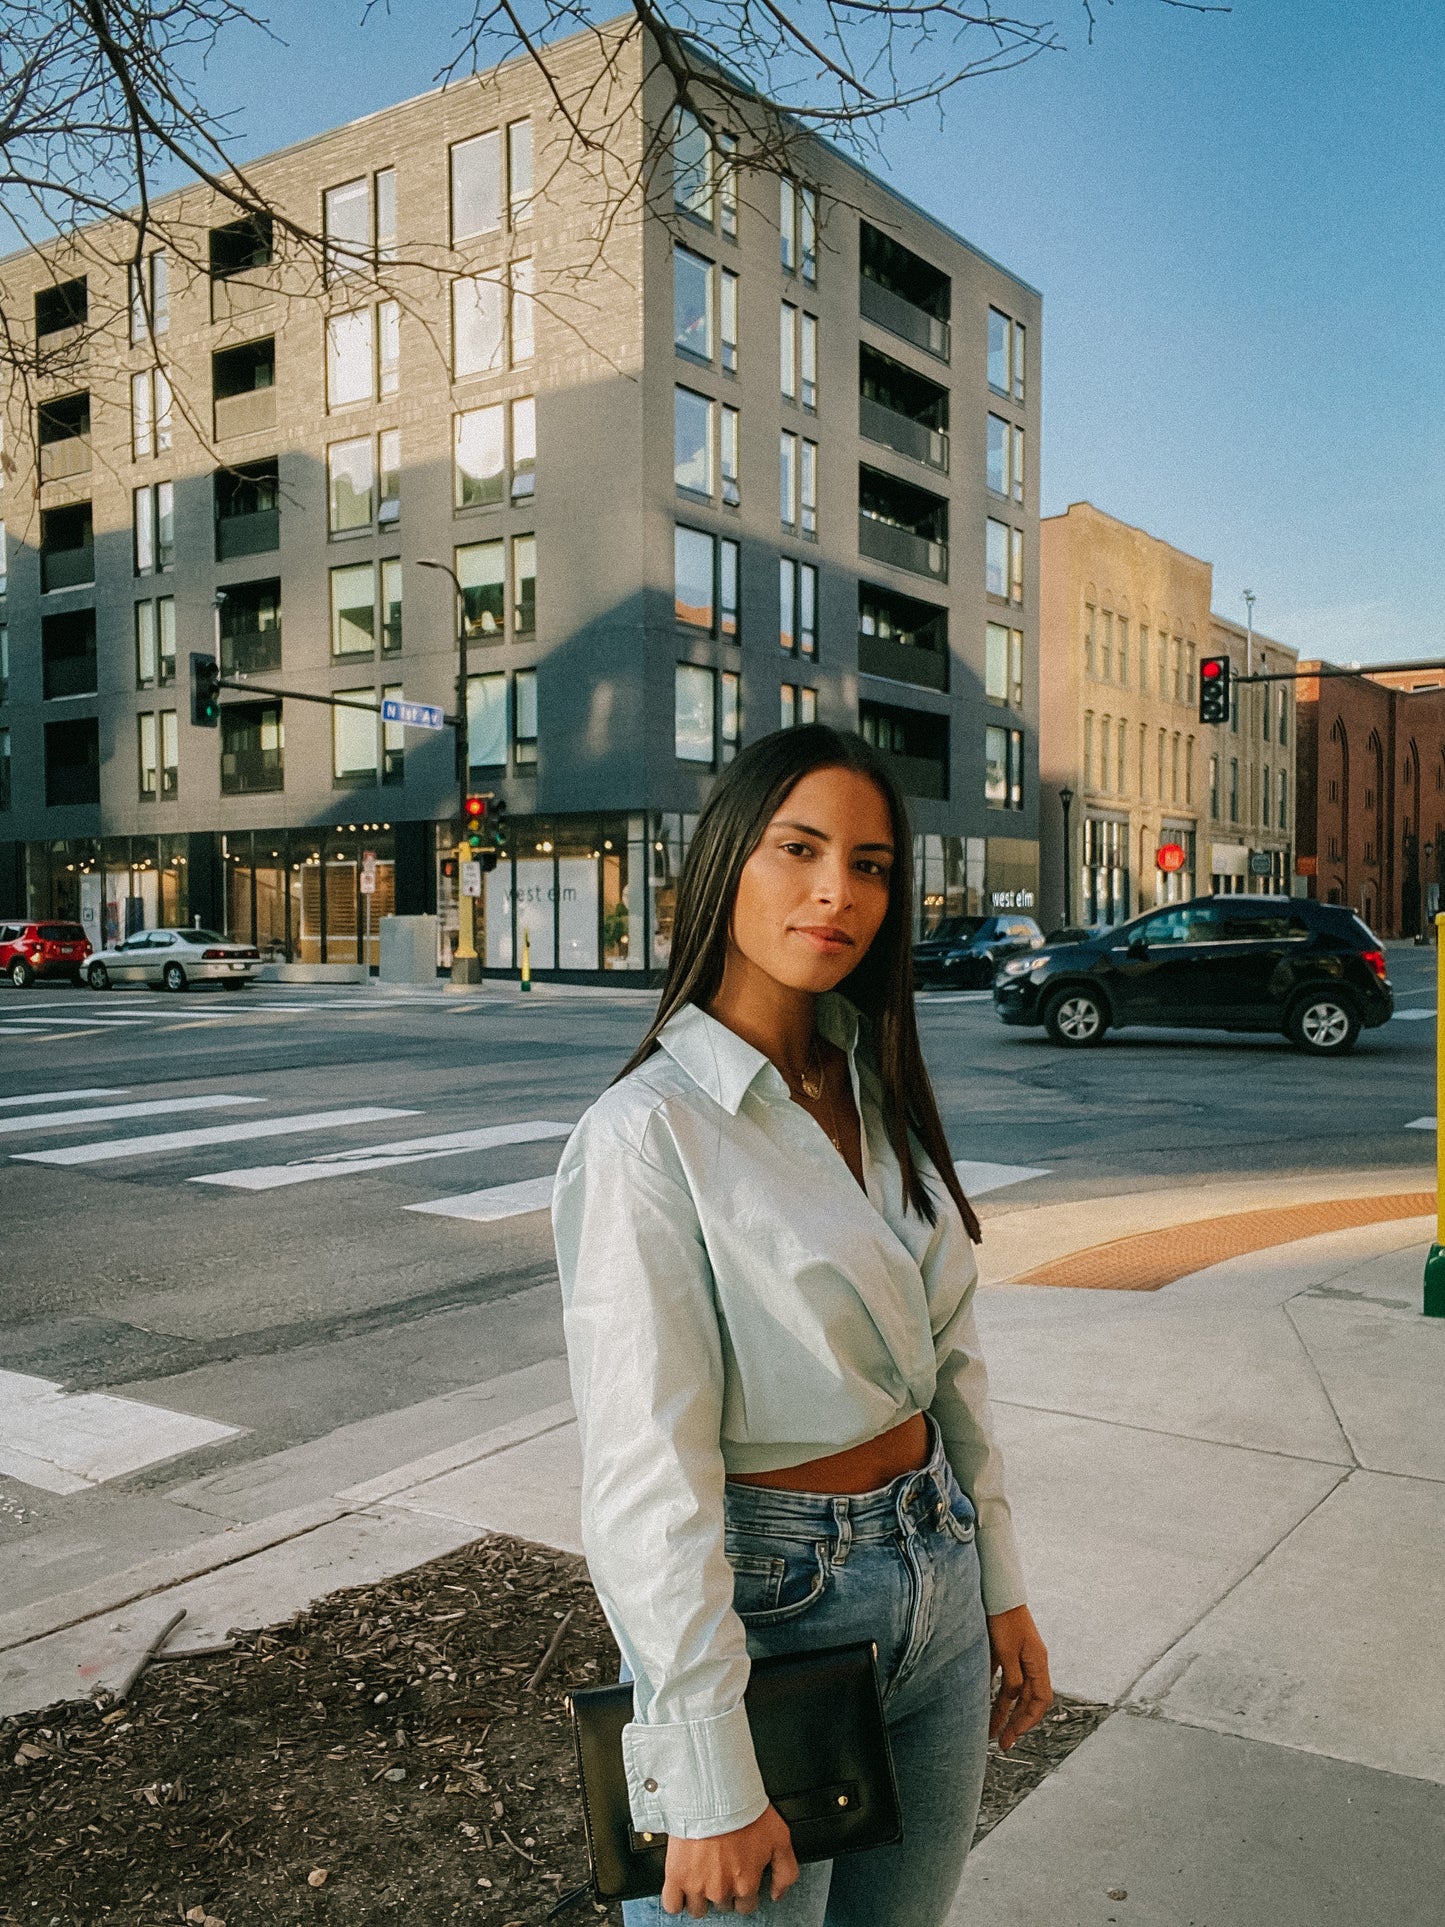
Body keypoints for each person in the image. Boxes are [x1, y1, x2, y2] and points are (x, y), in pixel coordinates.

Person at [553, 726, 1051, 1923]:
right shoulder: (647, 1135)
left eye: (871, 863)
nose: (838, 892)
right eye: (799, 848)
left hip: (931, 1575)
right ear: (727, 860)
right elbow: (643, 1476)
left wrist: (996, 1581)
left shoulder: (868, 1087)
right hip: (769, 1609)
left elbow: (949, 1367)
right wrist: (708, 1774)